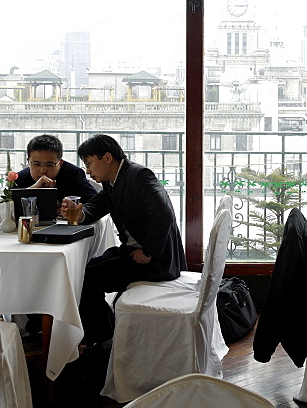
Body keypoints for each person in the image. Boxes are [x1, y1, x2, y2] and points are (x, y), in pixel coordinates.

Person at [62, 134, 185, 347]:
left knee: (88, 277)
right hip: (133, 250)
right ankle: (108, 330)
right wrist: (78, 213)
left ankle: (102, 335)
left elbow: (164, 214)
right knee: (84, 270)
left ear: (107, 158)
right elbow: (95, 207)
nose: (88, 170)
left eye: (89, 163)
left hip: (156, 260)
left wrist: (148, 252)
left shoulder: (139, 175)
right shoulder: (113, 181)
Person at [14, 134, 97, 203]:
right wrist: (34, 188)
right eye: (36, 164)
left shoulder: (73, 174)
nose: (43, 170)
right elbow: (11, 208)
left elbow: (95, 202)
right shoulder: (21, 178)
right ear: (28, 161)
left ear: (60, 163)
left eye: (49, 165)